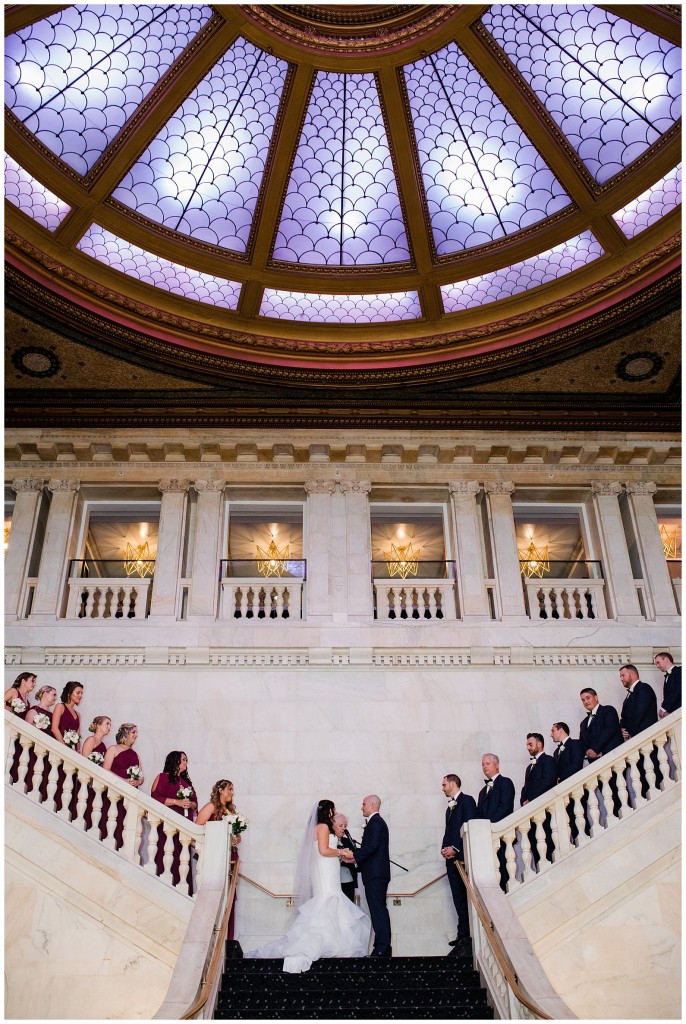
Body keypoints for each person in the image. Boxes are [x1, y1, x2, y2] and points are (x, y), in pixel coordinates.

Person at [246, 798, 370, 972]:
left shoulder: (319, 828)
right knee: (328, 899)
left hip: (327, 866)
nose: (334, 813)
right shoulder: (323, 827)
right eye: (333, 810)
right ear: (327, 811)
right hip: (325, 868)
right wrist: (341, 851)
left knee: (330, 900)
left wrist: (341, 855)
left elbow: (324, 850)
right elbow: (324, 850)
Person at [348, 794, 392, 957]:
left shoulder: (375, 823)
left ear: (373, 805)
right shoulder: (376, 823)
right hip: (375, 873)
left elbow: (371, 847)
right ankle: (382, 946)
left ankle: (382, 947)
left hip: (375, 874)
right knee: (378, 909)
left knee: (378, 909)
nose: (362, 807)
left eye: (364, 804)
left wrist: (354, 857)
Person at [152, 751, 198, 893]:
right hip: (167, 826)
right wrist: (176, 802)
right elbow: (154, 798)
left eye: (186, 760)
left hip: (183, 828)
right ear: (175, 761)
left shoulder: (187, 783)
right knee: (166, 856)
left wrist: (190, 805)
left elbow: (195, 803)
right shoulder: (162, 777)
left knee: (182, 859)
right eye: (183, 759)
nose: (186, 763)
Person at [440, 775, 476, 954]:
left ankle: (468, 934)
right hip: (451, 860)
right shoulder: (449, 808)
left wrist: (455, 848)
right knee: (457, 898)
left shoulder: (467, 801)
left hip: (462, 858)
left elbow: (469, 828)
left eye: (444, 784)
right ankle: (462, 933)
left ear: (453, 784)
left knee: (465, 896)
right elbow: (449, 831)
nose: (443, 788)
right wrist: (444, 849)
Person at [618, 665, 660, 797]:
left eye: (623, 675)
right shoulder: (628, 697)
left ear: (632, 674)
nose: (621, 679)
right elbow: (624, 717)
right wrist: (623, 729)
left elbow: (640, 713)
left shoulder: (644, 689)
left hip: (646, 738)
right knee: (642, 774)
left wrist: (629, 731)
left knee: (652, 772)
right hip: (636, 741)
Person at [476, 754, 515, 892]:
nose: (484, 766)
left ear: (496, 765)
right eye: (483, 764)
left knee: (503, 869)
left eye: (488, 763)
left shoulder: (505, 782)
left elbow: (505, 807)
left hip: (501, 835)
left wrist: (490, 826)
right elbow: (479, 814)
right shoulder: (482, 792)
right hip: (487, 839)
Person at [103, 723, 144, 848]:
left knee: (125, 824)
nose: (136, 735)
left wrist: (137, 782)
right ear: (125, 733)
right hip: (114, 792)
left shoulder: (135, 754)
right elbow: (105, 769)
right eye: (133, 732)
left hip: (129, 796)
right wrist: (123, 781)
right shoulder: (113, 749)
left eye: (136, 732)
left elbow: (141, 777)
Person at [578, 687, 622, 763]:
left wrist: (595, 749)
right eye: (583, 700)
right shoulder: (583, 723)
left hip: (612, 758)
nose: (585, 702)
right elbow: (582, 742)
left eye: (588, 698)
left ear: (596, 697)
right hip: (594, 763)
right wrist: (588, 752)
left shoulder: (608, 710)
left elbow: (609, 731)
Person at [51, 681, 84, 751]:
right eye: (78, 693)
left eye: (81, 693)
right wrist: (65, 748)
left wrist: (78, 751)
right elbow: (54, 729)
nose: (80, 695)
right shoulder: (60, 707)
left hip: (71, 751)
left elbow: (78, 736)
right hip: (59, 748)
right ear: (69, 693)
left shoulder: (78, 715)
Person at [333, 812, 357, 903]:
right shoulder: (327, 841)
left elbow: (356, 858)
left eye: (345, 826)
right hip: (333, 880)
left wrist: (353, 860)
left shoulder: (349, 841)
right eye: (340, 825)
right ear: (332, 826)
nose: (343, 828)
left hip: (348, 880)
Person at [654, 652, 681, 718]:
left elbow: (677, 691)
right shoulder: (668, 676)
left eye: (658, 662)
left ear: (666, 660)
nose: (657, 666)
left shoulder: (679, 671)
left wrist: (663, 708)